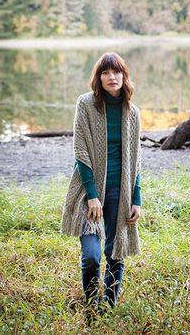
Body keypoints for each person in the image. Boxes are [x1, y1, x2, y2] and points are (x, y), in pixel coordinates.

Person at [61, 52, 142, 310]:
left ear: (124, 75)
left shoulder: (132, 111)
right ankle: (90, 302)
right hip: (89, 191)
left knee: (116, 252)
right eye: (105, 73)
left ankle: (108, 305)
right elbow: (80, 151)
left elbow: (136, 159)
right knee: (93, 256)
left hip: (121, 189)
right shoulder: (86, 104)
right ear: (98, 77)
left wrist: (136, 198)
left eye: (116, 72)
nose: (111, 77)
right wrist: (92, 194)